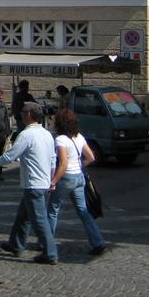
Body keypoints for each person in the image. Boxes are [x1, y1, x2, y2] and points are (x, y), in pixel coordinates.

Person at [0, 102, 59, 265]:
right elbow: (53, 159)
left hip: (34, 183)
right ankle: (16, 244)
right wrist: (52, 180)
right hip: (43, 182)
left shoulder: (26, 135)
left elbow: (10, 156)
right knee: (23, 216)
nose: (21, 115)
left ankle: (50, 253)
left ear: (30, 115)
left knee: (40, 220)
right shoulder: (46, 134)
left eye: (23, 112)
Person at [48, 108, 108, 256]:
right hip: (79, 177)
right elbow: (91, 157)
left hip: (66, 178)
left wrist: (53, 181)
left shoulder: (60, 140)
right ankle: (98, 242)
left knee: (53, 210)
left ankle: (46, 243)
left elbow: (63, 164)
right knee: (83, 211)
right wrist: (79, 166)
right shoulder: (79, 137)